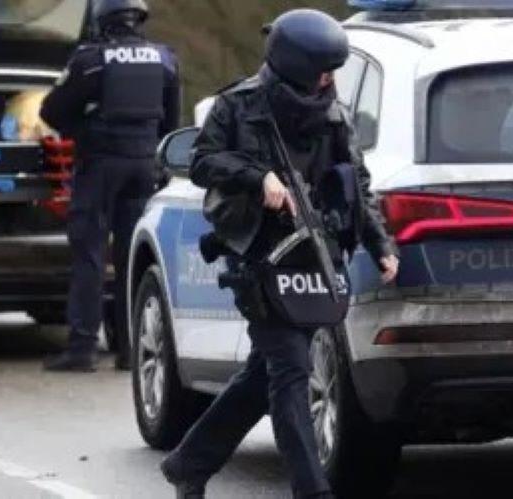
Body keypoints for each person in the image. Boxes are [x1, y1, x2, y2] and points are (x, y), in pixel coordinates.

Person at [160, 9, 399, 499]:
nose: (330, 79)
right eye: (324, 69)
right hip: (256, 252)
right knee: (291, 370)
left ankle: (189, 463)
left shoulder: (334, 115)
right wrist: (258, 177)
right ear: (296, 65)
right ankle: (313, 491)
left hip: (312, 255)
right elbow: (202, 162)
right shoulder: (238, 104)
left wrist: (381, 246)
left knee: (263, 375)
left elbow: (358, 185)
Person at [41, 0, 180, 372]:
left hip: (100, 166)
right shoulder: (165, 59)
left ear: (101, 20)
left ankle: (82, 348)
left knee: (89, 254)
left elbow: (51, 111)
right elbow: (171, 122)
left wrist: (84, 131)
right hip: (144, 167)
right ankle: (130, 349)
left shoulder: (91, 60)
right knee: (131, 258)